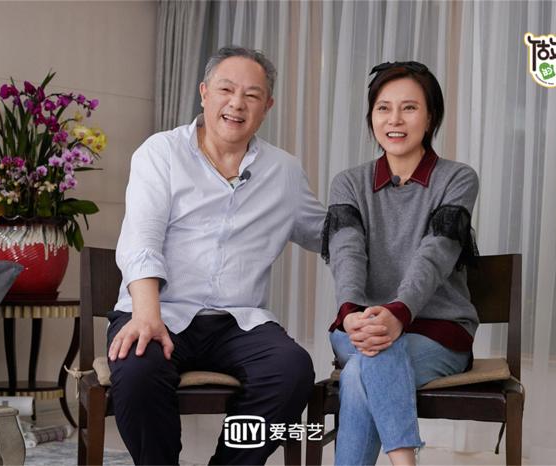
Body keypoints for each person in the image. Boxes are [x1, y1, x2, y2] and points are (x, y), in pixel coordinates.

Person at [107, 46, 326, 465]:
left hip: (238, 323)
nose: (236, 103)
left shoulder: (284, 172)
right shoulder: (161, 152)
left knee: (291, 369)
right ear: (204, 93)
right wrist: (147, 314)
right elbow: (142, 239)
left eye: (252, 95)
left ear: (267, 107)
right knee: (137, 370)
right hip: (159, 310)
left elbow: (328, 235)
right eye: (226, 89)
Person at [323, 61, 480, 466]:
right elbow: (347, 253)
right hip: (359, 325)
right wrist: (350, 311)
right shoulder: (349, 183)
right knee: (375, 350)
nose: (394, 120)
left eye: (409, 108)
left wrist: (399, 312)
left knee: (360, 371)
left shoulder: (457, 178)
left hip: (438, 331)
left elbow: (435, 254)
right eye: (383, 108)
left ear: (430, 118)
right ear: (371, 116)